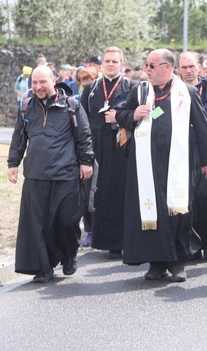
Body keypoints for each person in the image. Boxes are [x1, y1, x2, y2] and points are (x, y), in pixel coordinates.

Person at [117, 49, 207, 282]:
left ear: (167, 68)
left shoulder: (187, 92)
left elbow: (202, 128)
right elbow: (118, 114)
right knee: (153, 213)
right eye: (146, 65)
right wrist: (132, 114)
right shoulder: (139, 92)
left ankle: (178, 263)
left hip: (178, 165)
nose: (147, 70)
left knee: (178, 212)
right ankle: (157, 263)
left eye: (152, 66)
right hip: (146, 165)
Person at [7, 65, 94, 283]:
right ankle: (44, 268)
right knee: (38, 225)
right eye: (34, 83)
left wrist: (86, 161)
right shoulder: (26, 106)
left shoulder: (71, 105)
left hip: (65, 173)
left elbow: (84, 135)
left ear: (53, 80)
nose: (38, 87)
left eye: (42, 82)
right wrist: (13, 163)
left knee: (67, 220)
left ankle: (69, 255)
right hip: (35, 174)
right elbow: (19, 137)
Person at [81, 46, 137, 259]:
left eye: (115, 61)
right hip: (96, 148)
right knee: (96, 193)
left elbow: (140, 115)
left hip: (121, 151)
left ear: (122, 65)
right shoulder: (92, 88)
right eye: (107, 61)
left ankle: (121, 241)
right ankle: (101, 238)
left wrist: (119, 117)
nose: (111, 64)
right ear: (101, 65)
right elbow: (82, 121)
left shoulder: (132, 87)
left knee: (120, 194)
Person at [177, 51, 207, 259]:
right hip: (181, 153)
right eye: (184, 67)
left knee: (206, 197)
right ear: (177, 69)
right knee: (186, 202)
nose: (188, 71)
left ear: (200, 67)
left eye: (192, 67)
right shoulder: (172, 91)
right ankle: (191, 244)